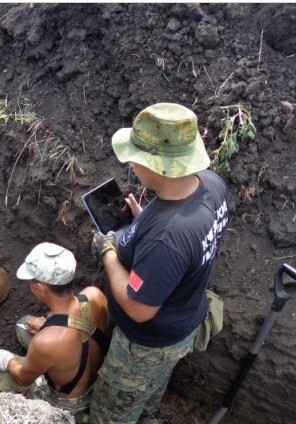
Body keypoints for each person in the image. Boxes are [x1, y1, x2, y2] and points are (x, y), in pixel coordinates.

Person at [89, 103, 230, 423]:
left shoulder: (167, 239)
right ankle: (146, 414)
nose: (130, 163)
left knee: (114, 408)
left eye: (135, 158)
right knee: (149, 388)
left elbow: (139, 308)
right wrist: (142, 221)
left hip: (146, 344)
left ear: (157, 167)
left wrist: (109, 251)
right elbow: (185, 247)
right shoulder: (211, 184)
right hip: (183, 322)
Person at [0, 242, 110, 423]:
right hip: (95, 380)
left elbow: (23, 378)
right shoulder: (95, 294)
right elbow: (80, 332)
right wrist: (47, 328)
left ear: (42, 288)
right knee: (24, 324)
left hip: (69, 404)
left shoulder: (45, 342)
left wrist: (7, 361)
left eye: (31, 282)